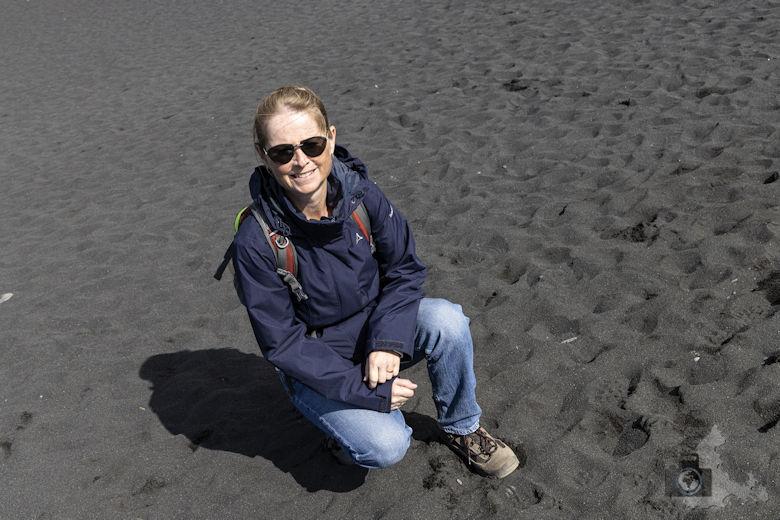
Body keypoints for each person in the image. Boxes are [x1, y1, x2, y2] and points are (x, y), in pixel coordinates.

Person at [232, 85, 520, 478]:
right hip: (316, 359)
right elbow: (283, 344)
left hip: (375, 328)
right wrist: (365, 389)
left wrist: (386, 342)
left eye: (312, 145)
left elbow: (405, 269)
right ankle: (341, 430)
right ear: (263, 155)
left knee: (447, 321)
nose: (301, 161)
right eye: (283, 152)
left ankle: (463, 428)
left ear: (331, 138)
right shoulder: (256, 240)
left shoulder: (362, 197)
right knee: (385, 445)